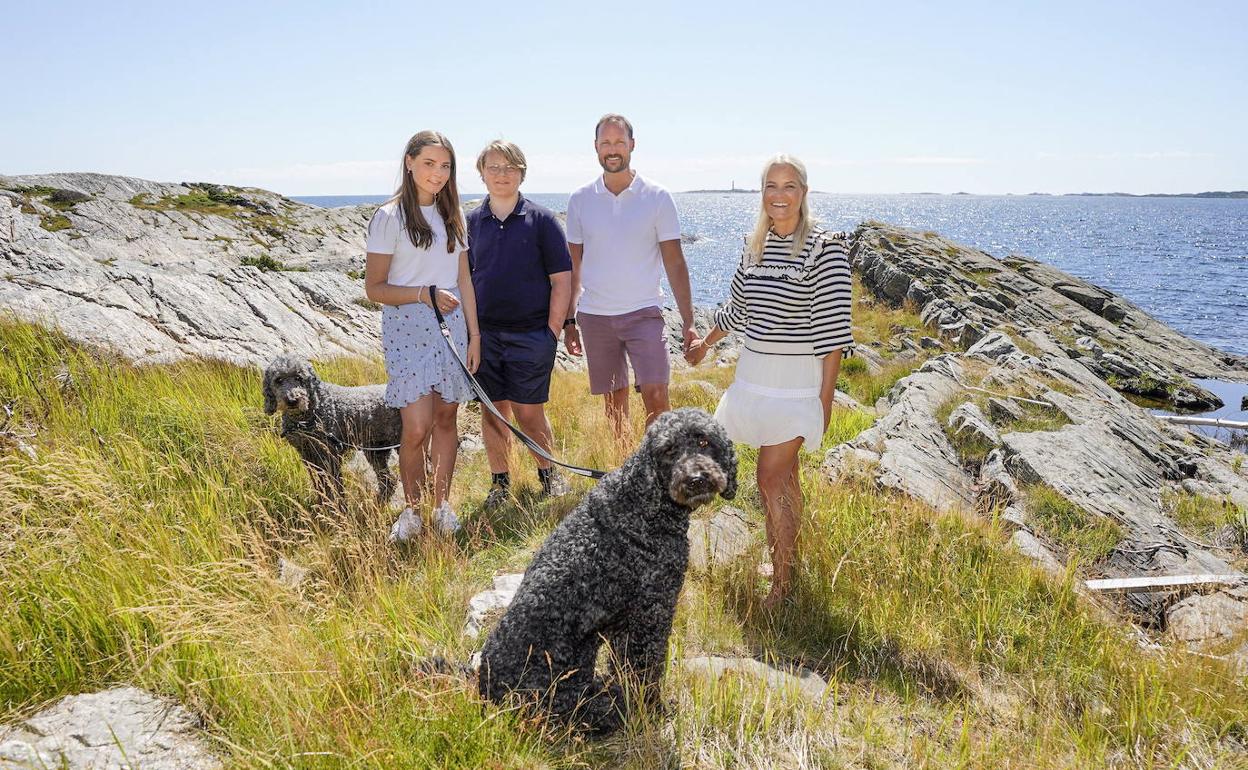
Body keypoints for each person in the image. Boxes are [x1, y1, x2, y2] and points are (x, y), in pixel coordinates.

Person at [686, 154, 853, 608]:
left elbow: (835, 332)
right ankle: (787, 561)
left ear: (804, 192)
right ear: (762, 193)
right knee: (785, 478)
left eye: (790, 186)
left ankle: (781, 587)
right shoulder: (753, 243)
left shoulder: (826, 246)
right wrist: (706, 342)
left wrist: (825, 400)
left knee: (769, 477)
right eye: (771, 186)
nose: (780, 196)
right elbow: (738, 306)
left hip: (797, 381)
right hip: (754, 377)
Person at [364, 130, 480, 541]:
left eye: (445, 165)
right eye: (429, 163)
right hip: (407, 327)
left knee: (447, 418)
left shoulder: (455, 215)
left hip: (453, 327)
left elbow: (465, 280)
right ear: (409, 162)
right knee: (416, 428)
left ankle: (442, 507)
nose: (437, 173)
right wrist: (422, 295)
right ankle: (411, 512)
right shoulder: (389, 217)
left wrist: (476, 337)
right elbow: (374, 288)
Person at [564, 113, 696, 438]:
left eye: (619, 142)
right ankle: (625, 475)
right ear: (595, 147)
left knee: (656, 396)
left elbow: (675, 263)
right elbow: (573, 267)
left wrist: (689, 321)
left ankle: (658, 474)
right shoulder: (580, 200)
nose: (612, 149)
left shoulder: (657, 197)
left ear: (632, 145)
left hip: (644, 313)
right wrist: (569, 322)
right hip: (596, 317)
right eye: (606, 142)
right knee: (615, 403)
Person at [466, 140, 573, 508]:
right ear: (481, 173)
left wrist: (552, 333)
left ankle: (549, 475)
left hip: (532, 335)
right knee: (493, 412)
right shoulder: (470, 223)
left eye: (509, 167)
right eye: (493, 167)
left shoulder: (542, 220)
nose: (501, 175)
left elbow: (562, 279)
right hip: (485, 336)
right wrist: (471, 335)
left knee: (529, 413)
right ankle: (500, 484)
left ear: (521, 173)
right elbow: (463, 281)